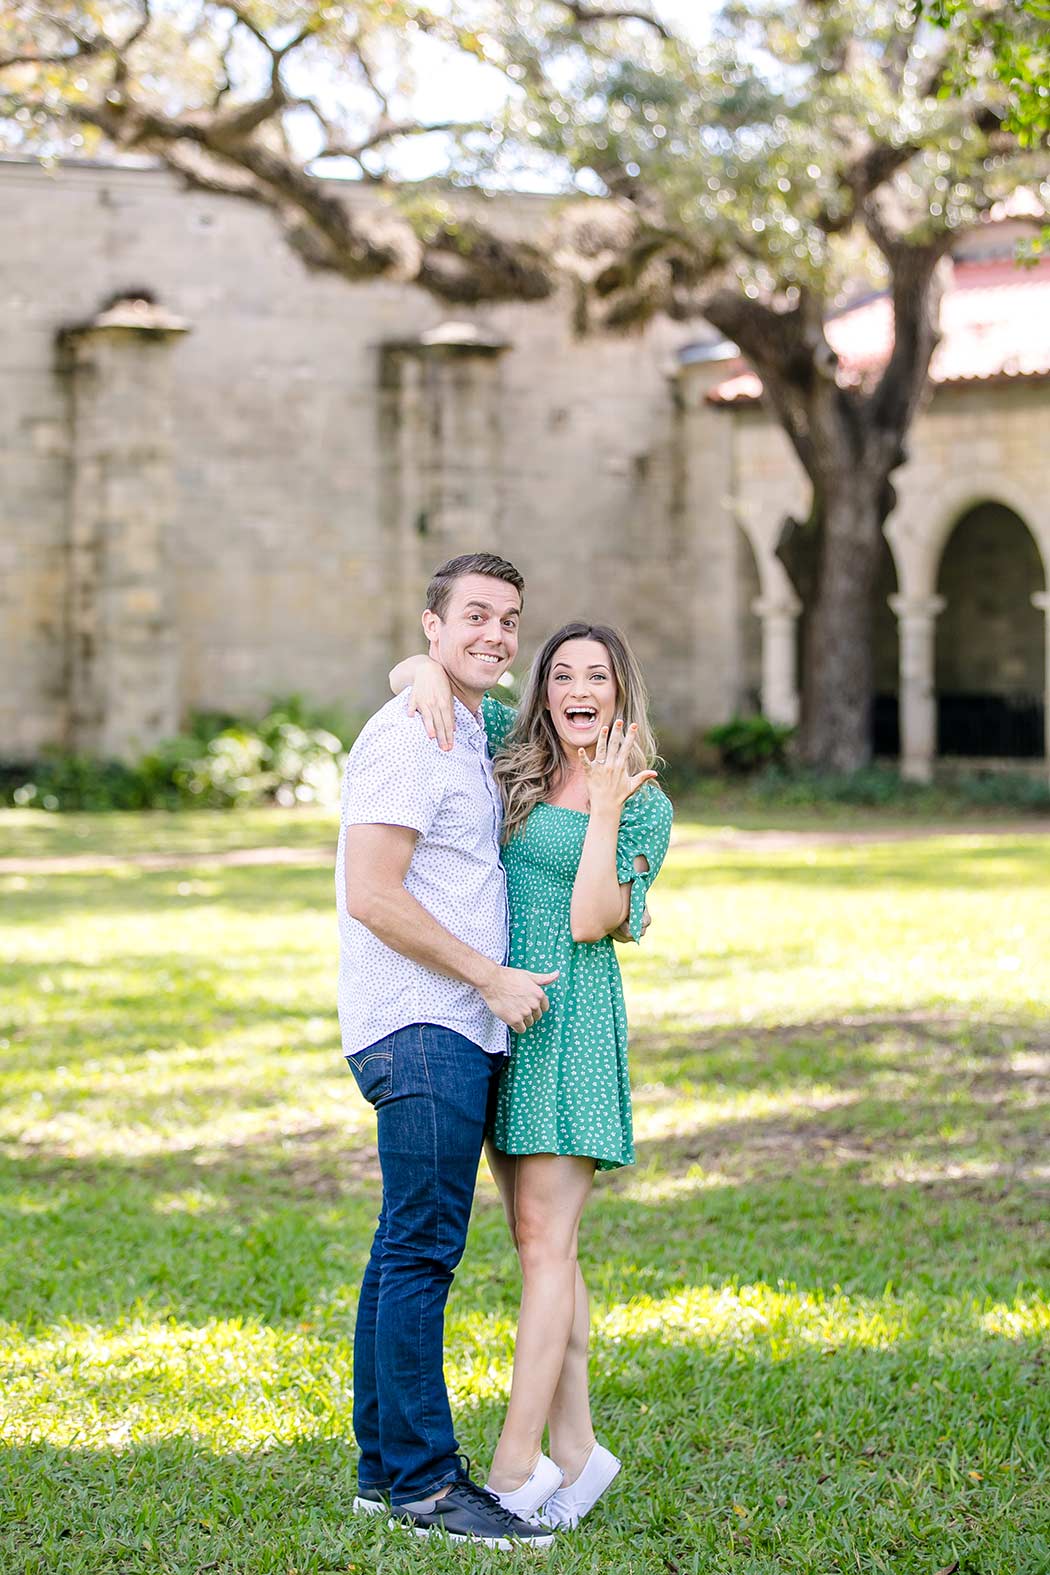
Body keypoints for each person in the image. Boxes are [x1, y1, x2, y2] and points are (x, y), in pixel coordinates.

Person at [389, 620, 673, 1530]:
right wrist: (420, 677)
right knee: (538, 1241)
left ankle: (516, 1468)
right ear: (544, 688)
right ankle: (581, 1450)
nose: (577, 688)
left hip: (575, 1022)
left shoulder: (644, 804)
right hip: (508, 1012)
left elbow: (593, 919)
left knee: (546, 1243)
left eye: (597, 675)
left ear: (621, 689)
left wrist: (601, 807)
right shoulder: (514, 746)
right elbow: (426, 666)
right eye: (562, 673)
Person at [337, 551, 558, 1550]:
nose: (496, 635)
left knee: (404, 1245)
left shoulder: (464, 725)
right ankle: (429, 1487)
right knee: (423, 1247)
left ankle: (385, 1474)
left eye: (509, 619)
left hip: (443, 1025)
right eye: (474, 616)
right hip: (423, 1023)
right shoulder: (412, 739)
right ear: (432, 624)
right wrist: (488, 975)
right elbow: (372, 892)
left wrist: (417, 671)